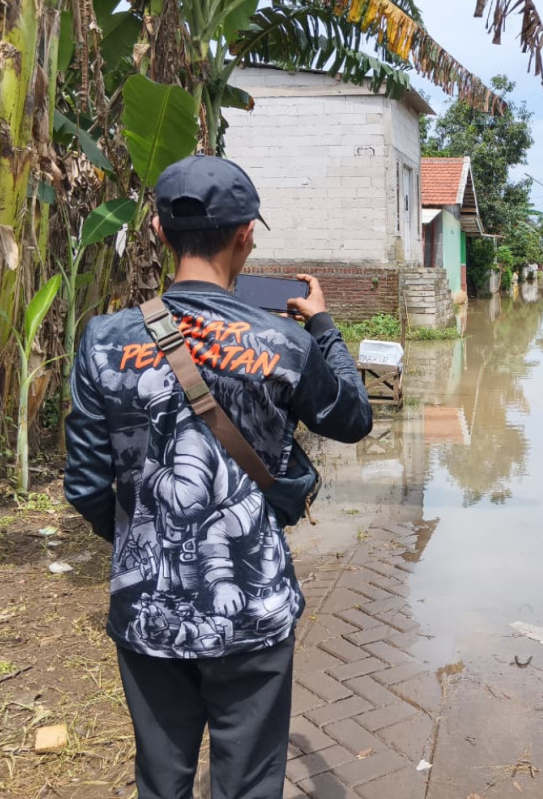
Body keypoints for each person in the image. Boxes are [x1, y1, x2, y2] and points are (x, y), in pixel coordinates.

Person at [64, 155, 373, 798]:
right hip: (254, 612)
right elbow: (352, 418)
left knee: (161, 778)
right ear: (246, 236)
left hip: (147, 609)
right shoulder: (285, 345)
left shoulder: (101, 340)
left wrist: (139, 537)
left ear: (156, 230)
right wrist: (321, 324)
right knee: (250, 781)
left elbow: (88, 486)